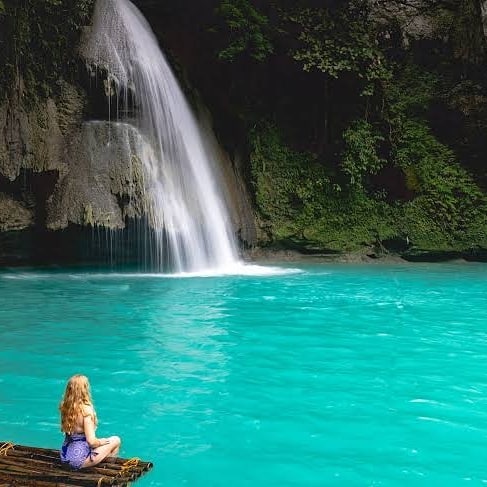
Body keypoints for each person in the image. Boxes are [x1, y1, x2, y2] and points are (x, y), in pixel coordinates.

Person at [59, 374, 121, 470]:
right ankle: (108, 469)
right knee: (116, 440)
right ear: (85, 390)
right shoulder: (86, 411)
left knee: (105, 447)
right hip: (78, 460)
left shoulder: (65, 407)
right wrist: (100, 441)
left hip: (65, 456)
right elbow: (91, 442)